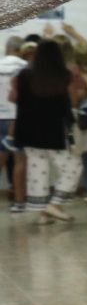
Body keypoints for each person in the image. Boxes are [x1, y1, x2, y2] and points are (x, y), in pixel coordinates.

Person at [10, 39, 83, 223]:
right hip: (54, 131)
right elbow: (73, 102)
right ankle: (55, 205)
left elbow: (13, 98)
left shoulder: (24, 75)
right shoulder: (64, 75)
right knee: (73, 167)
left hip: (28, 130)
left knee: (37, 171)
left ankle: (43, 213)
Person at [1, 36, 27, 212]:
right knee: (20, 161)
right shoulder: (24, 67)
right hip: (18, 117)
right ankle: (19, 202)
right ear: (20, 50)